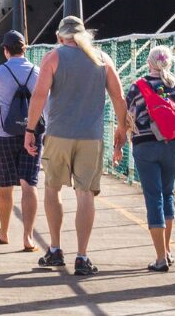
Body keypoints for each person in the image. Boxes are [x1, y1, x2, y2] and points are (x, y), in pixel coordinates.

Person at [23, 16, 128, 277]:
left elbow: (39, 95)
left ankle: (56, 249)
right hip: (91, 136)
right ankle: (82, 256)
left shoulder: (53, 57)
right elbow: (118, 96)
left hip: (59, 134)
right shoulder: (102, 59)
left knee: (52, 188)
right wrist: (121, 128)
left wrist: (30, 129)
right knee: (85, 194)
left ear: (60, 37)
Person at [117, 44, 175, 271]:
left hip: (145, 147)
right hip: (174, 145)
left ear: (149, 63)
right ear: (169, 63)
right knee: (167, 194)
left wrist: (120, 143)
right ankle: (168, 250)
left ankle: (160, 258)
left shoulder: (137, 87)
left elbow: (126, 118)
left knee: (153, 197)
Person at [0, 31, 40, 250]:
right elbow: (46, 104)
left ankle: (4, 232)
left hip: (4, 135)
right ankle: (28, 237)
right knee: (29, 183)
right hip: (33, 134)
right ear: (25, 49)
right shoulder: (37, 71)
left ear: (5, 50)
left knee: (5, 184)